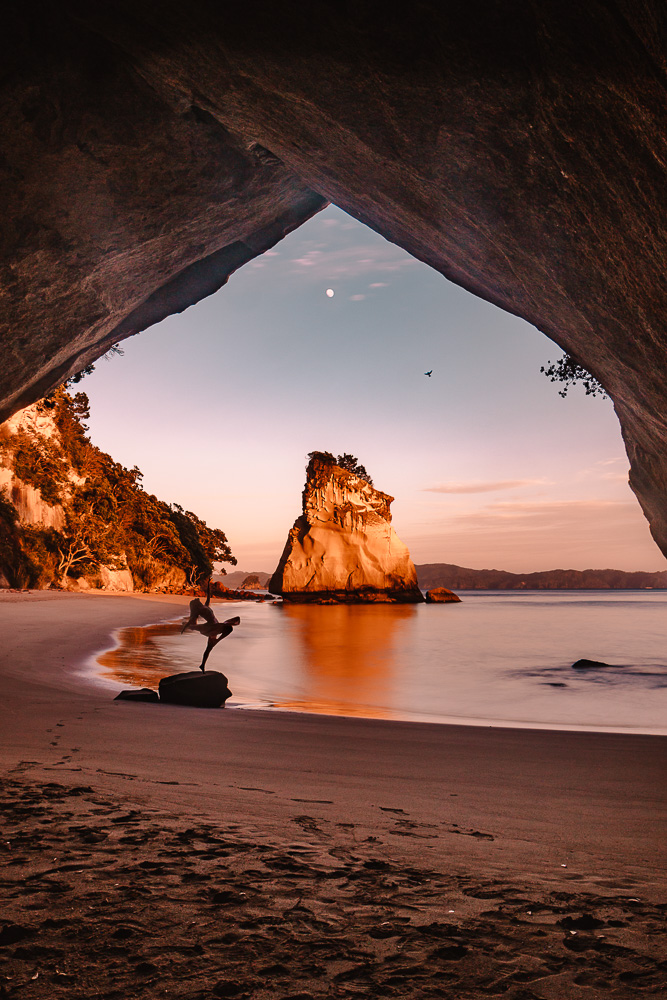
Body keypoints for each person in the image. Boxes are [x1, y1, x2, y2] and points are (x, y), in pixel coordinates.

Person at [181, 579, 240, 671]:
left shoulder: (206, 606)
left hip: (216, 626)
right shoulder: (199, 610)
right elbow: (192, 620)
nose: (197, 599)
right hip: (211, 627)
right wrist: (185, 627)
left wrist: (208, 584)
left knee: (209, 648)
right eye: (196, 600)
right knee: (229, 628)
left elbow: (208, 595)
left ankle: (202, 665)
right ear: (195, 605)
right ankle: (217, 641)